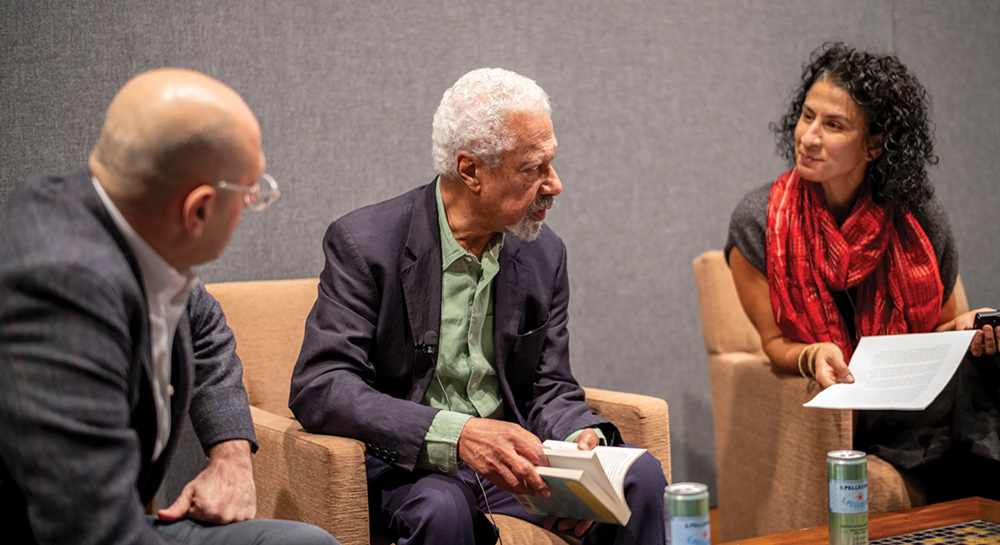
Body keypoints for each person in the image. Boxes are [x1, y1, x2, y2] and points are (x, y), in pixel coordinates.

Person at [289, 67, 667, 545]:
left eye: (551, 163)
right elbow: (321, 386)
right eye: (535, 168)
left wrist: (579, 440)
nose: (555, 184)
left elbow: (549, 385)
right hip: (413, 467)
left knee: (641, 479)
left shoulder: (542, 253)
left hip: (512, 468)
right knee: (442, 507)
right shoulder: (366, 244)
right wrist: (458, 435)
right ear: (471, 171)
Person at [0, 68, 338, 544]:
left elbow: (204, 326)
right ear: (198, 209)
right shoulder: (62, 289)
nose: (250, 204)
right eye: (249, 193)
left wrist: (231, 454)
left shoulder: (121, 235)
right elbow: (89, 528)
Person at [726, 42, 1000, 501]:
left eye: (833, 125)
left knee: (986, 367)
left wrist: (971, 327)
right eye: (807, 116)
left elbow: (943, 332)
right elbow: (774, 343)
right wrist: (812, 355)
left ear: (875, 145)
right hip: (844, 402)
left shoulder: (917, 216)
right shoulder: (759, 220)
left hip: (912, 393)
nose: (809, 136)